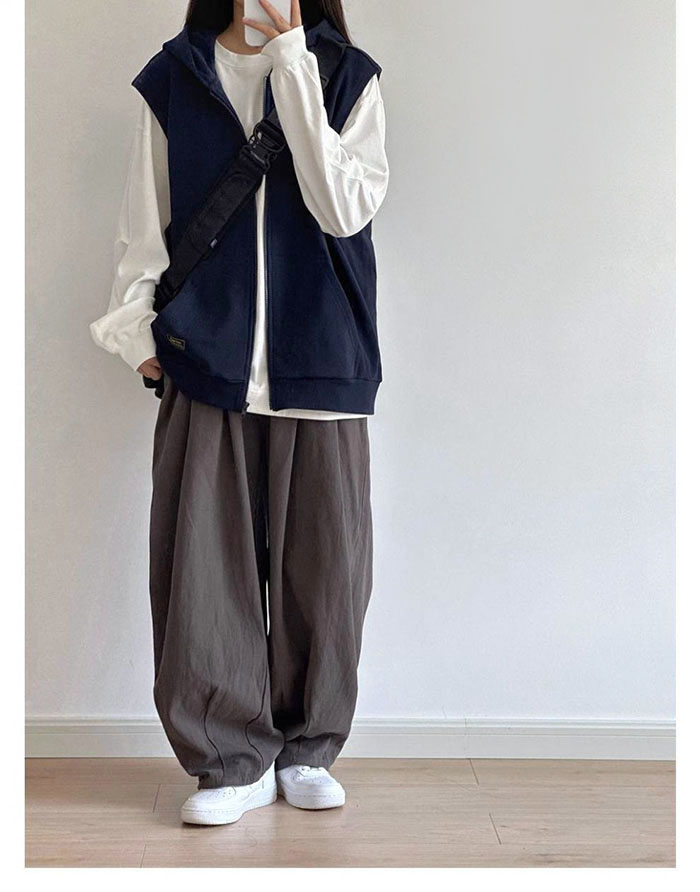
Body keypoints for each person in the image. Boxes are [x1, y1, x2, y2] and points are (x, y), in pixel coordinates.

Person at [89, 0, 388, 826]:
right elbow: (143, 221)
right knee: (202, 570)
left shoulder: (348, 78)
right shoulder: (175, 79)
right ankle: (230, 759)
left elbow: (345, 208)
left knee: (325, 570)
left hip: (320, 359)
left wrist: (293, 64)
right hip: (205, 358)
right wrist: (134, 329)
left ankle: (307, 748)